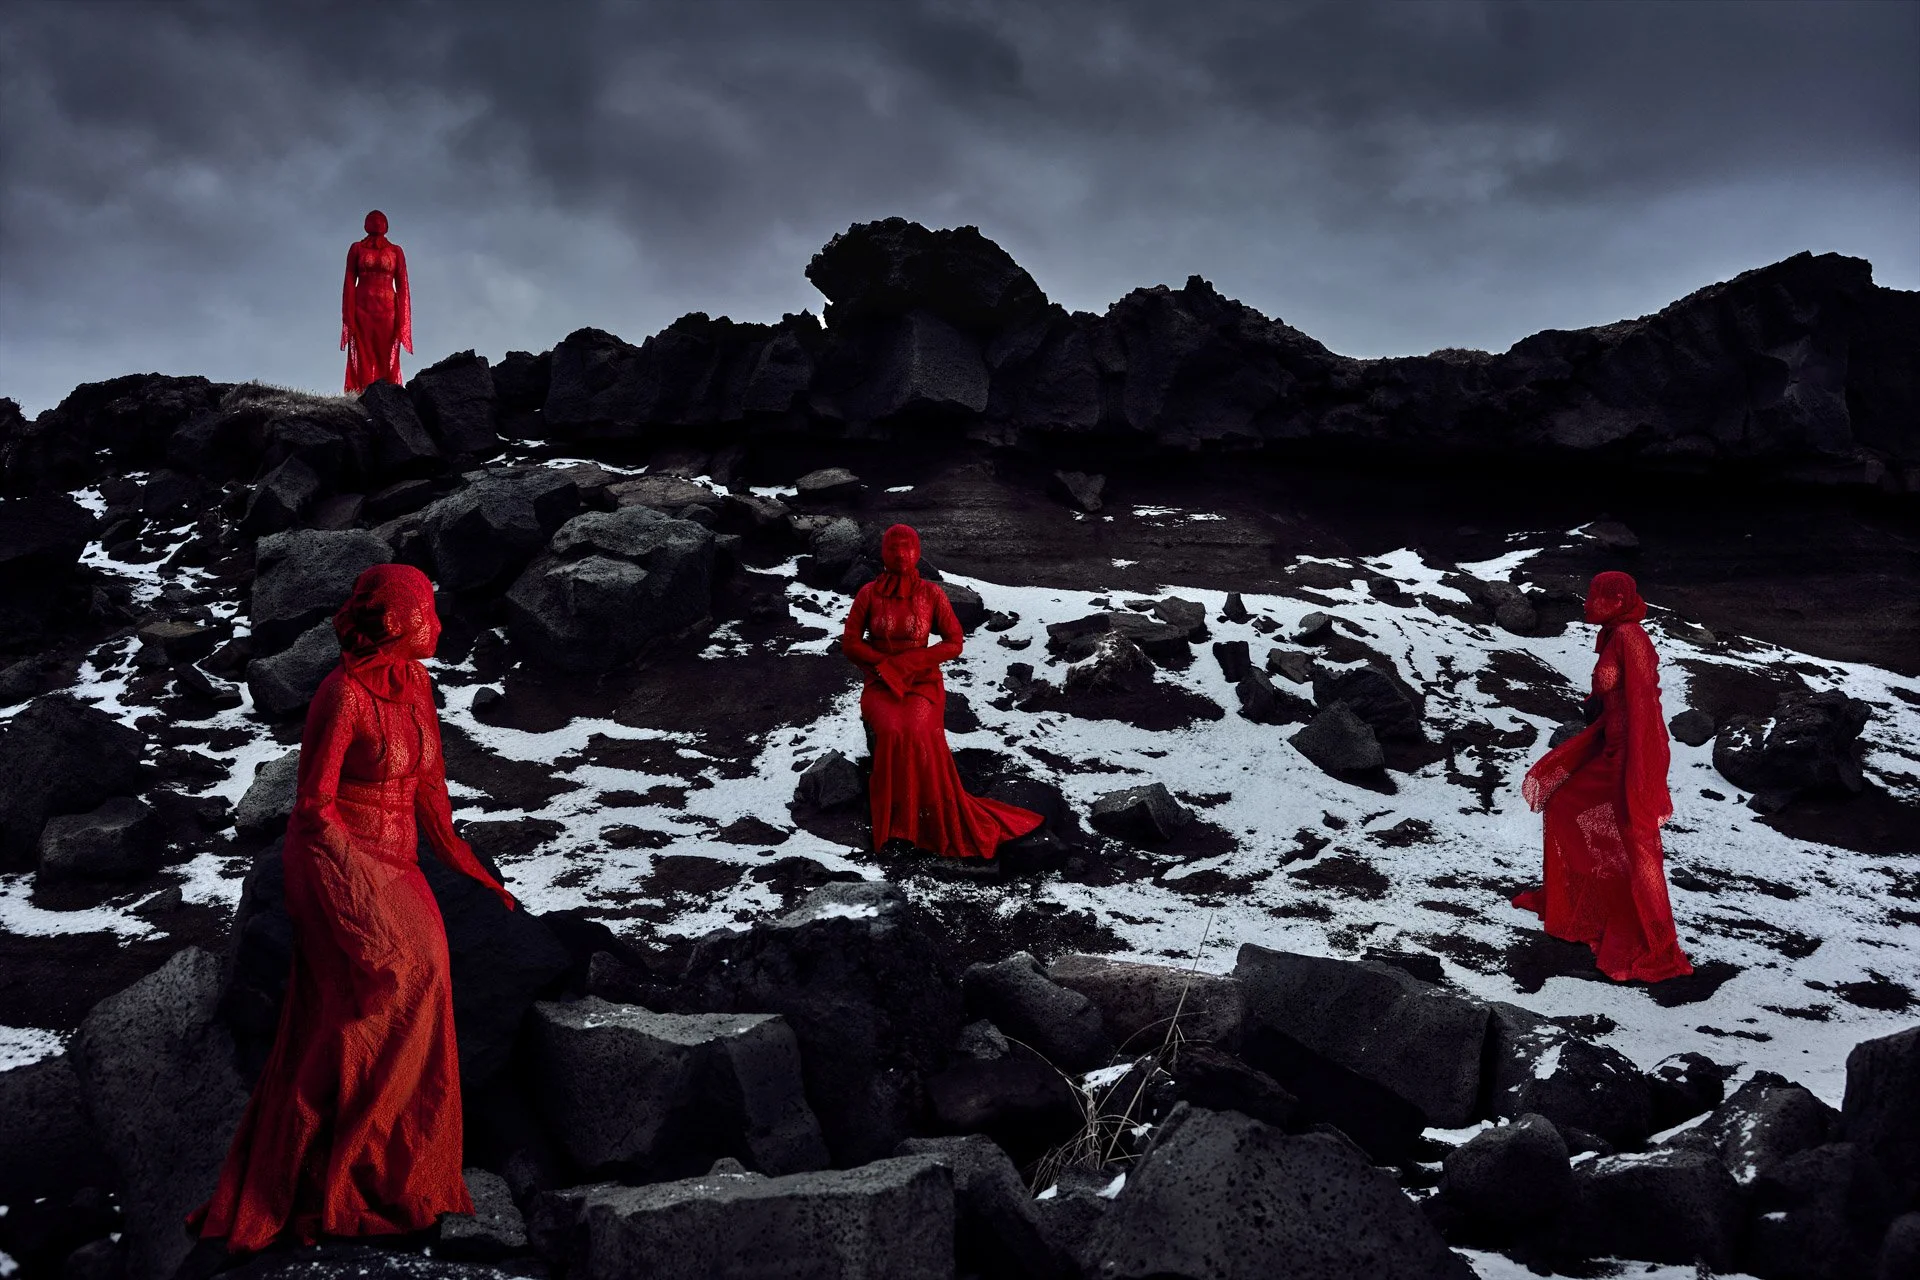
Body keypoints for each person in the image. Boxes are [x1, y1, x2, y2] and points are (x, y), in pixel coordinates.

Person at [183, 564, 516, 1261]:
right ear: (395, 622)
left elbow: (430, 795)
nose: (439, 625)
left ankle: (401, 1170)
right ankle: (337, 1171)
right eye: (427, 612)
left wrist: (472, 871)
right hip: (335, 855)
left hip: (398, 860)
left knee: (427, 984)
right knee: (388, 986)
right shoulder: (342, 695)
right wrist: (357, 890)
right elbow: (312, 809)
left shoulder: (417, 685)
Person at [1512, 570, 1693, 983]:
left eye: (1595, 596)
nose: (1586, 603)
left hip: (1625, 757)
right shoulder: (1614, 634)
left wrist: (1639, 768)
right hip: (1610, 749)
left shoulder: (1629, 636)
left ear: (1616, 600)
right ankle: (1588, 901)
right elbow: (1615, 693)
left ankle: (1651, 937)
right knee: (1563, 806)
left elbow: (1645, 702)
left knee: (1635, 839)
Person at [839, 524, 1043, 861]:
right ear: (884, 552)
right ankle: (894, 822)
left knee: (918, 731)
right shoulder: (868, 594)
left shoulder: (932, 595)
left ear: (918, 552)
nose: (901, 555)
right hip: (879, 682)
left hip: (922, 682)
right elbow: (850, 644)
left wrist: (912, 661)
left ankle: (928, 814)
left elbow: (954, 642)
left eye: (908, 548)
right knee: (891, 731)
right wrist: (885, 665)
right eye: (894, 548)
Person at [341, 210, 411, 394]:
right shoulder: (356, 248)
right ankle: (365, 394)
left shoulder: (396, 251)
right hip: (361, 309)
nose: (377, 224)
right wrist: (349, 315)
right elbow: (349, 282)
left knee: (386, 354)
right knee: (363, 355)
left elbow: (403, 286)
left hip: (388, 312)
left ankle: (387, 395)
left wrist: (402, 320)